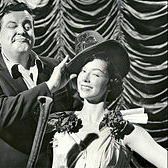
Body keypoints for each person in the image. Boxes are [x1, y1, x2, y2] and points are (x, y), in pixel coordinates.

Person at [0, 2, 80, 168]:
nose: (22, 31)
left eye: (28, 26)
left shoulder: (55, 67)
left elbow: (76, 110)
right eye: (12, 26)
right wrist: (48, 87)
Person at [49, 30, 167, 168]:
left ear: (110, 83)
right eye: (83, 71)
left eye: (96, 74)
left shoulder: (124, 130)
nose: (86, 79)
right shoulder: (61, 125)